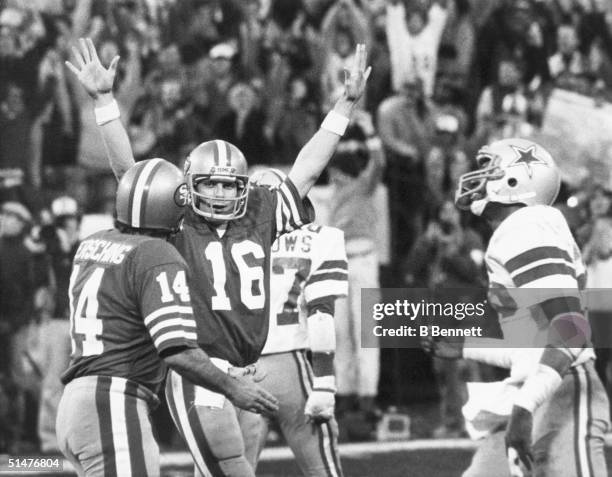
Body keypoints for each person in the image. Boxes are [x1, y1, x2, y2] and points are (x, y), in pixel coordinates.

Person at [66, 38, 370, 477]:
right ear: (189, 183)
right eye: (212, 184)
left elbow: (306, 168)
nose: (222, 193)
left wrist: (344, 106)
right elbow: (128, 174)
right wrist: (106, 101)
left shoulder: (262, 207)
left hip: (251, 368)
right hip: (199, 370)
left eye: (231, 185)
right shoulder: (175, 215)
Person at [55, 159, 278, 477]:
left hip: (74, 406)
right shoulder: (156, 254)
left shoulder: (92, 243)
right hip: (113, 405)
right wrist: (234, 388)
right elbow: (177, 350)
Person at [424, 138, 610, 476]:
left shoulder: (527, 225)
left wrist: (524, 409)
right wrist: (467, 347)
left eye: (488, 168)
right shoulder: (521, 230)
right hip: (537, 389)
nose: (478, 176)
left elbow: (570, 330)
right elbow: (532, 348)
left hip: (561, 393)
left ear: (516, 179)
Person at [252, 169, 348, 477]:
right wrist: (325, 382)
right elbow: (321, 316)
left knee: (229, 468)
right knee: (324, 470)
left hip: (241, 368)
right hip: (291, 363)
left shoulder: (227, 242)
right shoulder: (321, 239)